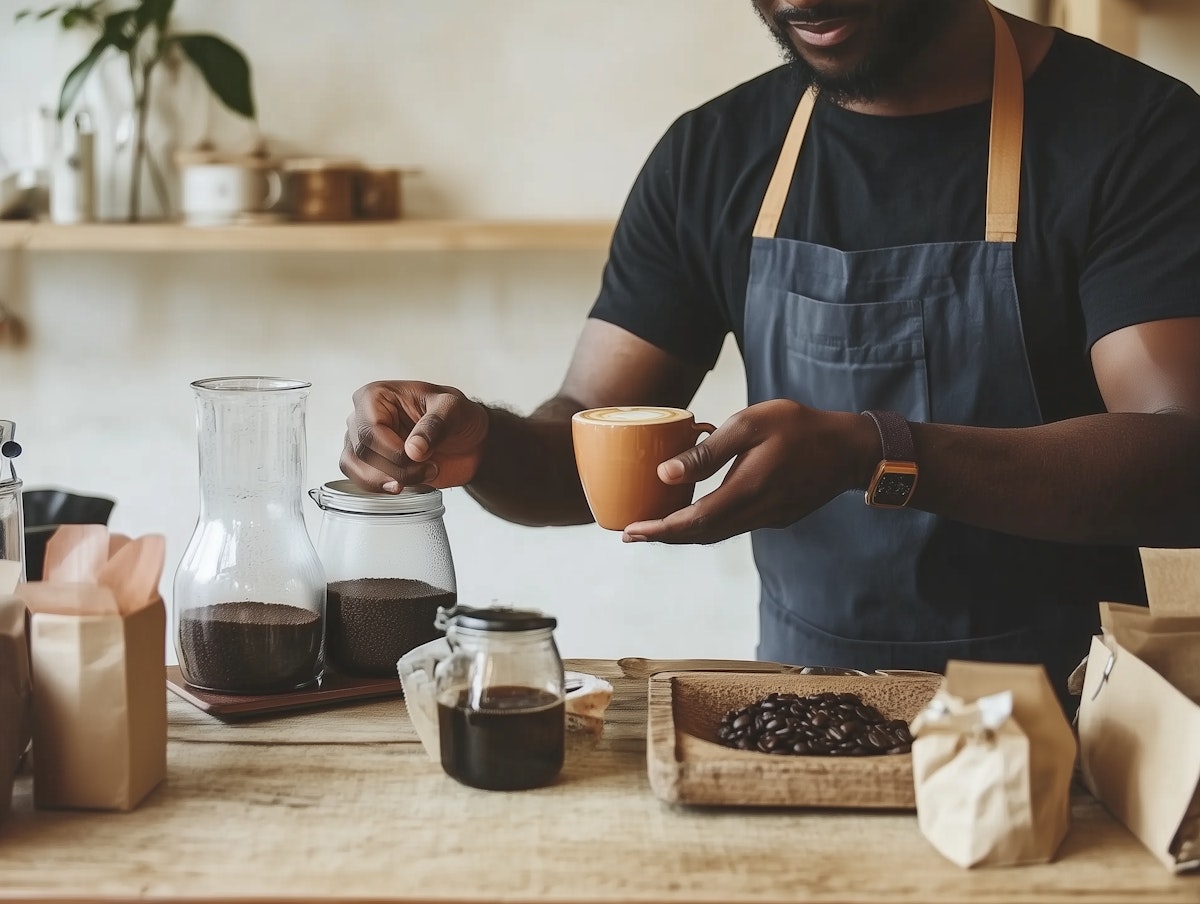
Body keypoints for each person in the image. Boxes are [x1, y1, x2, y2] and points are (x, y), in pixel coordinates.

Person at [341, 0, 1200, 700]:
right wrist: (480, 443)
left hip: (1074, 722)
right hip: (802, 706)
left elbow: (1180, 456)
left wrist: (874, 452)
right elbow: (588, 450)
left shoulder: (1135, 134)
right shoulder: (711, 156)